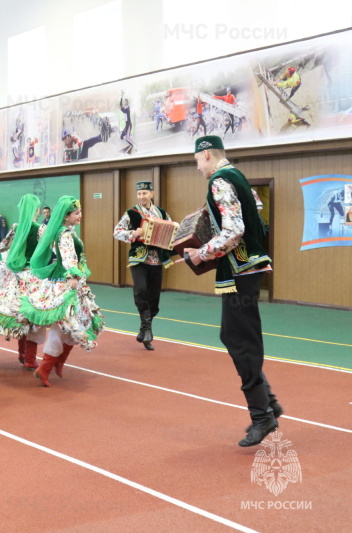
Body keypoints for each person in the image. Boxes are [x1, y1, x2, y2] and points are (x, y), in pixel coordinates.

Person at [179, 135, 281, 447]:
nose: (198, 167)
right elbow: (254, 208)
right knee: (233, 336)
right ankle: (269, 403)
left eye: (197, 160)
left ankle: (262, 415)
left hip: (240, 269)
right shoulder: (236, 177)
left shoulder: (220, 181)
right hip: (247, 268)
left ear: (206, 154)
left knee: (241, 340)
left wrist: (201, 253)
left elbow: (234, 229)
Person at [19, 196, 105, 387]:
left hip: (71, 283)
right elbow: (67, 258)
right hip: (65, 284)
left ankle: (55, 364)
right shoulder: (65, 234)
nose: (80, 216)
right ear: (66, 217)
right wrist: (73, 275)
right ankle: (46, 367)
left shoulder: (65, 231)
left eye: (80, 212)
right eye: (76, 213)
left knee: (73, 326)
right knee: (64, 326)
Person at [0, 193, 45, 370]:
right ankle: (30, 358)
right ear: (37, 210)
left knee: (19, 314)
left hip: (17, 277)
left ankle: (22, 353)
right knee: (32, 317)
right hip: (34, 278)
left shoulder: (16, 227)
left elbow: (2, 245)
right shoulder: (40, 229)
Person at [112, 181, 174, 350]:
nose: (141, 197)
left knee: (154, 297)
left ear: (152, 194)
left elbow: (171, 231)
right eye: (139, 194)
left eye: (145, 193)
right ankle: (147, 330)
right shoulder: (131, 213)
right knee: (140, 290)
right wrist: (132, 233)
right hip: (139, 259)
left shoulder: (161, 213)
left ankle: (144, 330)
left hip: (157, 260)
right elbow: (116, 232)